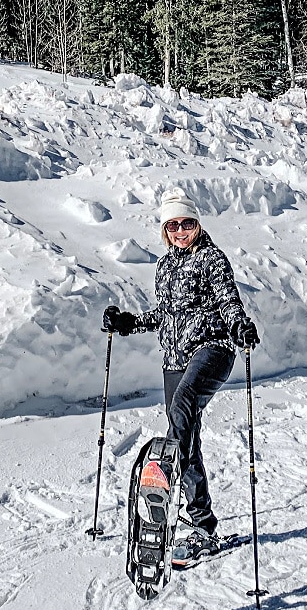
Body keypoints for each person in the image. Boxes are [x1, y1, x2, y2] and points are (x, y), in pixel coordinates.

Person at [102, 188, 259, 564]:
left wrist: (238, 326)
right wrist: (129, 323)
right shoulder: (166, 265)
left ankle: (166, 473)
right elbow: (166, 313)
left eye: (186, 223)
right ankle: (202, 524)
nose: (180, 230)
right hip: (174, 359)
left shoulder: (211, 259)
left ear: (197, 223)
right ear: (165, 230)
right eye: (172, 225)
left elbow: (227, 300)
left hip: (213, 349)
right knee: (185, 431)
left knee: (183, 411)